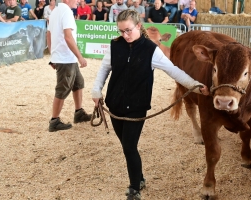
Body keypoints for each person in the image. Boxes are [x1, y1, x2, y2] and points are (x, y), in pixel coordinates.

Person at [91, 9, 209, 200]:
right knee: (127, 146)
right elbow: (104, 69)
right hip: (114, 105)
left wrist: (195, 85)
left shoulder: (151, 50)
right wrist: (96, 91)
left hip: (137, 106)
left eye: (128, 30)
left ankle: (134, 188)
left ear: (138, 26)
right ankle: (139, 177)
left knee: (129, 146)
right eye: (121, 31)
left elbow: (174, 71)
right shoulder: (115, 46)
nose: (125, 35)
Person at [47, 0, 92, 132]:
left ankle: (79, 113)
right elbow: (68, 37)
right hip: (66, 58)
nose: (79, 1)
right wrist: (80, 57)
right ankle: (54, 121)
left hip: (64, 57)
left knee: (78, 83)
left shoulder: (55, 11)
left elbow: (48, 35)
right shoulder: (66, 11)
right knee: (63, 88)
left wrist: (52, 55)